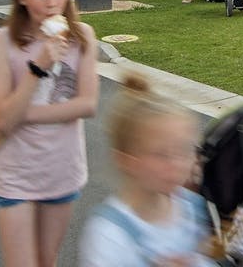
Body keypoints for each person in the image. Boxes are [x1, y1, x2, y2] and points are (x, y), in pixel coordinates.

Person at [0, 0, 99, 267]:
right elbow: (3, 117)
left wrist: (18, 115)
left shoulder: (83, 37)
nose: (51, 3)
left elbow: (88, 104)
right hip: (15, 171)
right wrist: (40, 66)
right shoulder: (0, 43)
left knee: (47, 259)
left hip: (61, 168)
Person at [78, 75, 214, 266]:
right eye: (162, 154)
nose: (178, 164)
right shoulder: (109, 235)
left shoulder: (190, 207)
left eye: (185, 150)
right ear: (126, 161)